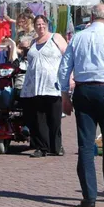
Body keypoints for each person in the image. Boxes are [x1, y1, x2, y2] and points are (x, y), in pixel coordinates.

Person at [58, 4, 104, 207]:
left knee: (85, 144)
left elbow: (65, 67)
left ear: (91, 17)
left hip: (83, 92)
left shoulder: (79, 38)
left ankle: (89, 195)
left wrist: (65, 94)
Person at [21, 15, 68, 158]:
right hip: (34, 86)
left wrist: (70, 77)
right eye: (38, 24)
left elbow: (67, 56)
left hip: (53, 84)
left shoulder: (56, 37)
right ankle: (42, 147)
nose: (40, 27)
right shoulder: (33, 43)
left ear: (47, 25)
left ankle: (56, 146)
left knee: (54, 117)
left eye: (43, 24)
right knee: (38, 117)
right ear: (34, 26)